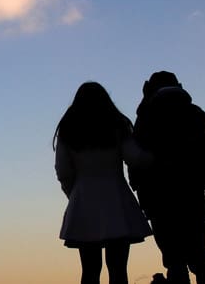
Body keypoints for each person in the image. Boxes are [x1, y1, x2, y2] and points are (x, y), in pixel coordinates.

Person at [54, 82, 152, 284]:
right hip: (117, 201)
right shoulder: (117, 126)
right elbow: (135, 158)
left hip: (83, 203)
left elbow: (63, 171)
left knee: (89, 270)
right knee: (118, 269)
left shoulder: (69, 130)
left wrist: (74, 194)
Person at [130, 71, 205, 284]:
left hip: (158, 198)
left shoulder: (146, 117)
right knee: (200, 257)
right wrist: (202, 181)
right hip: (192, 195)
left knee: (174, 260)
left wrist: (140, 190)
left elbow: (136, 159)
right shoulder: (195, 114)